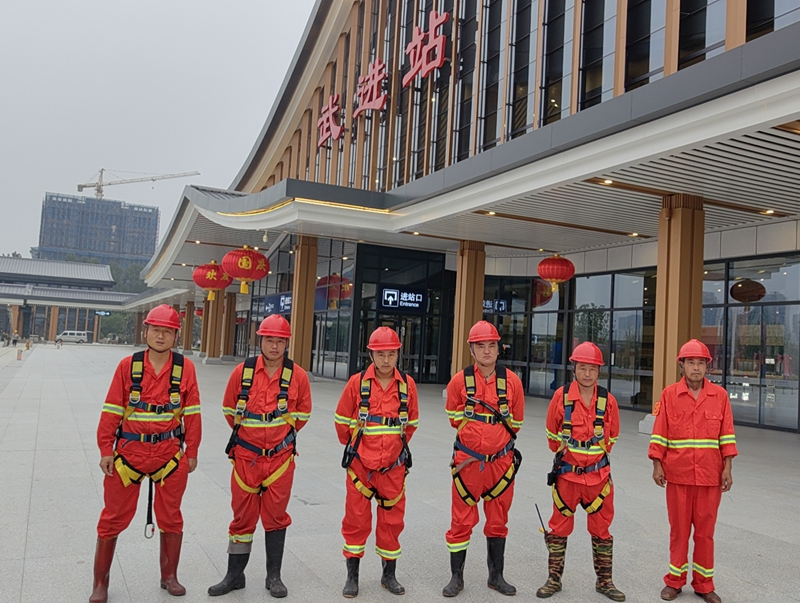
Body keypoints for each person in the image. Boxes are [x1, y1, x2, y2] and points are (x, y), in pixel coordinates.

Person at [91, 304, 202, 603]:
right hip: (129, 454)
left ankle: (169, 577)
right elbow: (112, 408)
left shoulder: (185, 369)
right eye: (155, 330)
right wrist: (105, 449)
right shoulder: (128, 366)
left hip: (169, 455)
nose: (161, 336)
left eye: (167, 331)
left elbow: (192, 413)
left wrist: (192, 450)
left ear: (176, 336)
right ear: (146, 332)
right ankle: (100, 583)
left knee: (171, 518)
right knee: (112, 517)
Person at [208, 314, 312, 599]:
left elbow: (303, 415)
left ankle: (274, 576)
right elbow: (229, 410)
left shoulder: (298, 376)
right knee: (242, 517)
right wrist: (252, 440)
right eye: (269, 340)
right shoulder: (242, 372)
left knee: (276, 516)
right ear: (260, 340)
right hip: (246, 458)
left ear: (287, 343)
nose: (274, 346)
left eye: (280, 341)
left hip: (280, 460)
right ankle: (234, 575)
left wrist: (278, 440)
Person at [648, 339, 737, 603]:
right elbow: (660, 432)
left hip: (710, 476)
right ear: (682, 365)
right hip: (678, 474)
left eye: (700, 363)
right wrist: (657, 463)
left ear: (707, 366)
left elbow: (727, 434)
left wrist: (728, 467)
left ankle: (704, 584)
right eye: (690, 362)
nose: (695, 368)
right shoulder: (669, 395)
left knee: (705, 534)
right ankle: (674, 581)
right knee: (679, 532)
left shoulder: (720, 396)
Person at [335, 326, 419, 598]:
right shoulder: (357, 384)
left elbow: (411, 424)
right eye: (381, 354)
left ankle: (388, 575)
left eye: (391, 354)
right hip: (360, 467)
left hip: (393, 468)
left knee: (392, 523)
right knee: (356, 521)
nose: (386, 360)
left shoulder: (407, 385)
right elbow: (341, 423)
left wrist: (392, 451)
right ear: (371, 354)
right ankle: (352, 577)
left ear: (398, 354)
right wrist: (360, 449)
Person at [537, 342, 624, 601]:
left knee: (602, 529)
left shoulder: (608, 401)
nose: (587, 374)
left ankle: (605, 581)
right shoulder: (561, 397)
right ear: (574, 368)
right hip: (567, 477)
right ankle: (553, 579)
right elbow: (552, 436)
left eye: (592, 369)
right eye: (583, 368)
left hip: (599, 478)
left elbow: (612, 437)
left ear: (599, 371)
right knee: (558, 528)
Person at [443, 320, 524, 597]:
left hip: (501, 465)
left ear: (499, 348)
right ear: (471, 350)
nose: (487, 351)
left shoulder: (512, 382)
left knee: (498, 519)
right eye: (481, 346)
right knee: (461, 521)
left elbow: (517, 421)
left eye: (491, 345)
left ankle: (496, 577)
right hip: (468, 464)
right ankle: (456, 578)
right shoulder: (459, 381)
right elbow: (454, 418)